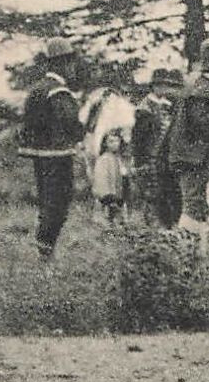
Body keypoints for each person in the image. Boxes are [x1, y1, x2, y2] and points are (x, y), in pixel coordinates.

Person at [17, 38, 84, 260]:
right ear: (62, 64)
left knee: (47, 201)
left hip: (40, 155)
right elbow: (70, 122)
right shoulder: (59, 91)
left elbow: (28, 124)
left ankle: (44, 248)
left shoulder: (37, 89)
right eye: (70, 62)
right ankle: (46, 250)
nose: (73, 68)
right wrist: (81, 133)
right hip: (58, 155)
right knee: (59, 203)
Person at [166, 38, 209, 237]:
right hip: (193, 156)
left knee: (198, 205)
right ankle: (186, 251)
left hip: (195, 155)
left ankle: (195, 254)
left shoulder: (203, 87)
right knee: (194, 205)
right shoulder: (203, 90)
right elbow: (202, 124)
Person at [131, 67, 183, 227]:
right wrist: (140, 161)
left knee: (168, 192)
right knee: (153, 194)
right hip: (150, 157)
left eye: (166, 85)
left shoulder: (168, 105)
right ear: (153, 86)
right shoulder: (144, 108)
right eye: (160, 85)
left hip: (165, 157)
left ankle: (167, 226)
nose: (164, 88)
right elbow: (139, 139)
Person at [91, 129, 129, 222]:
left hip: (119, 193)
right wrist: (106, 195)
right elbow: (101, 179)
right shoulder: (103, 159)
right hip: (108, 196)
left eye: (117, 141)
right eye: (111, 141)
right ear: (105, 143)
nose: (115, 144)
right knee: (107, 217)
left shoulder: (119, 159)